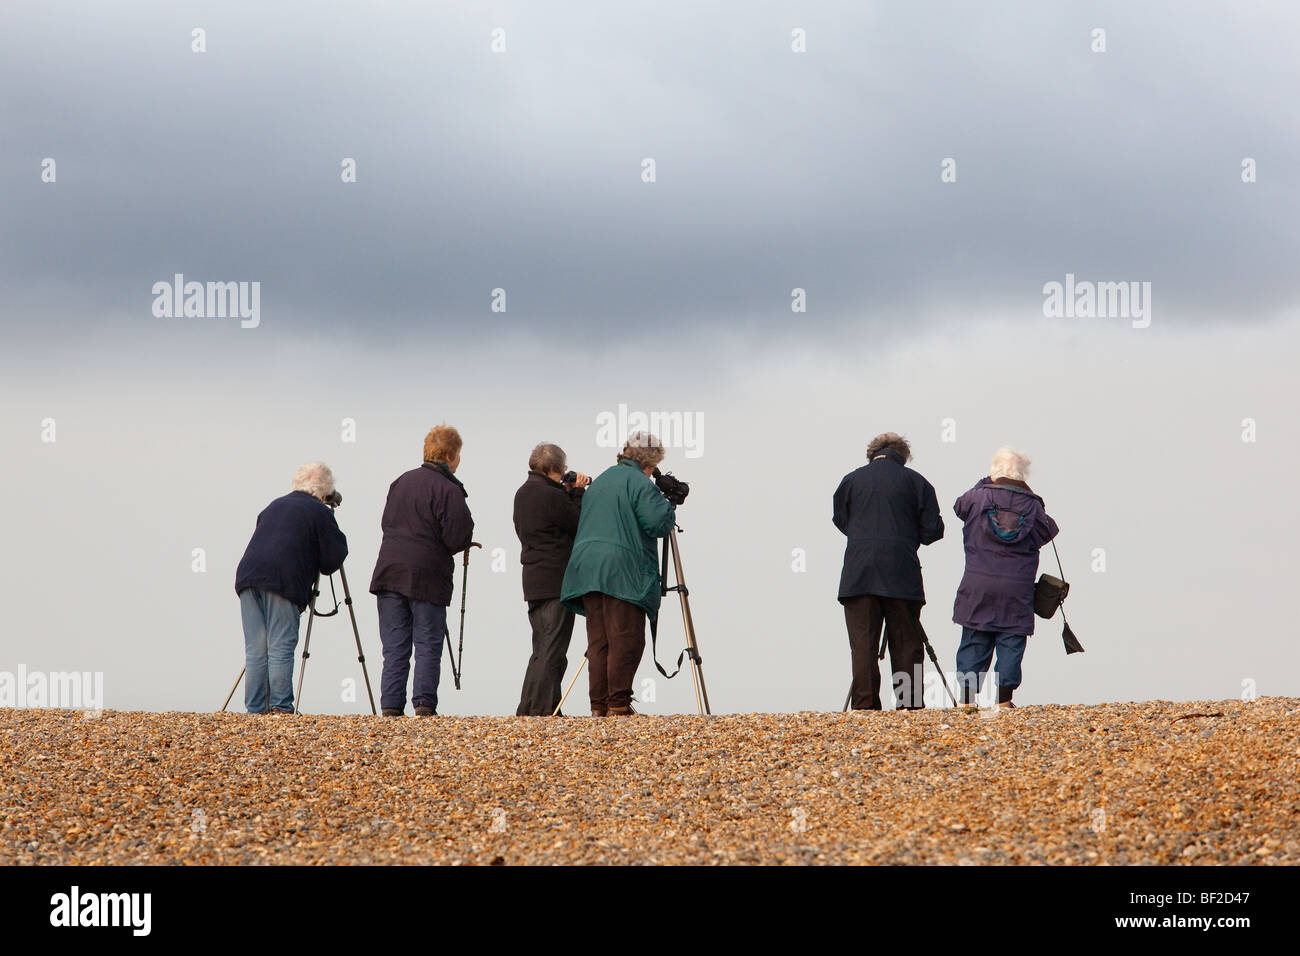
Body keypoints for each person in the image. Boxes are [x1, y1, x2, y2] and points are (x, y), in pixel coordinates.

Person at [560, 433, 676, 716]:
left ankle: (599, 707)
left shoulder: (601, 481)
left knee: (599, 640)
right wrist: (669, 503)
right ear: (648, 463)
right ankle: (619, 704)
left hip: (586, 569)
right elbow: (658, 523)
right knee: (626, 637)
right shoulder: (638, 483)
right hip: (620, 569)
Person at [369, 424, 475, 717]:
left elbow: (387, 523)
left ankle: (391, 706)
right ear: (450, 455)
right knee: (428, 641)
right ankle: (424, 705)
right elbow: (457, 537)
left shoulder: (400, 481)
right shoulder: (449, 489)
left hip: (389, 572)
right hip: (427, 575)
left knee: (394, 644)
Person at [833, 432, 944, 710]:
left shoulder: (851, 480)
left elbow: (840, 519)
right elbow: (933, 531)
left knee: (863, 646)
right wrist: (904, 537)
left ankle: (865, 707)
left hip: (859, 574)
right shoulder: (918, 483)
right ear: (903, 456)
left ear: (871, 454)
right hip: (901, 572)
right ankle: (909, 706)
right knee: (906, 644)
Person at [234, 462, 349, 715]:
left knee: (256, 647)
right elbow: (332, 561)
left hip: (248, 577)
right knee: (280, 645)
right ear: (325, 491)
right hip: (282, 580)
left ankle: (255, 710)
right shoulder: (320, 512)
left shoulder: (273, 505)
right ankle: (280, 708)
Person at [952, 447, 1059, 710]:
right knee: (1011, 640)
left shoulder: (977, 497)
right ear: (1022, 474)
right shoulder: (1033, 506)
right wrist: (1028, 496)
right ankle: (1003, 700)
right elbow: (1049, 531)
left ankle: (966, 700)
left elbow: (959, 506)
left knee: (975, 636)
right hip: (1016, 587)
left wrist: (984, 484)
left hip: (979, 584)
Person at [513, 443, 591, 715]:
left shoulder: (523, 493)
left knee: (541, 647)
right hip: (556, 582)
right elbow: (578, 523)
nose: (563, 476)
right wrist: (578, 493)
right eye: (561, 472)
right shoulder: (552, 495)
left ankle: (533, 707)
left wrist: (565, 492)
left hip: (532, 580)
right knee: (553, 649)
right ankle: (543, 710)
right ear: (550, 469)